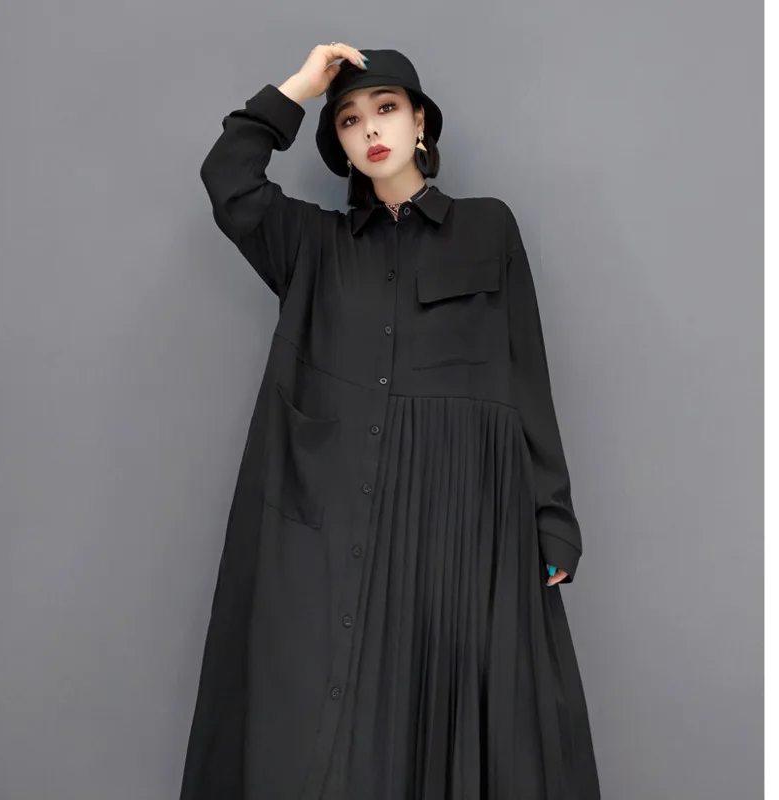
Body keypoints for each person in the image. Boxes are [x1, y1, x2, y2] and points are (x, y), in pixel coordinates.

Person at [179, 44, 601, 800]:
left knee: (457, 722)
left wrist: (552, 516)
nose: (370, 129)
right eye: (348, 120)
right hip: (340, 519)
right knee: (331, 734)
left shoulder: (489, 228)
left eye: (385, 109)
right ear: (338, 145)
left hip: (461, 517)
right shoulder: (313, 246)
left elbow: (525, 374)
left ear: (420, 122)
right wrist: (299, 87)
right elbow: (228, 180)